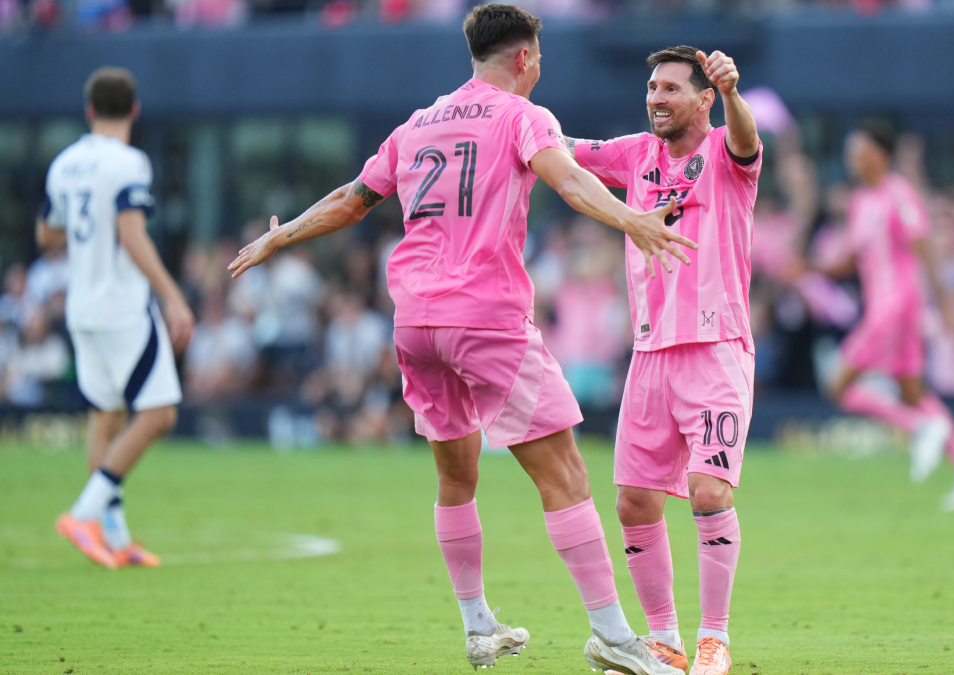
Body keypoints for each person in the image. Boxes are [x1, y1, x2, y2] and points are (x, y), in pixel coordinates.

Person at [228, 5, 693, 674]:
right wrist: (633, 220)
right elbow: (566, 178)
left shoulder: (416, 125)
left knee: (456, 474)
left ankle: (478, 624)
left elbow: (353, 198)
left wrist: (280, 233)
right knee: (563, 471)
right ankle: (616, 634)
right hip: (486, 316)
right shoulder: (523, 116)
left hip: (416, 321)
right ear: (524, 59)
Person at [566, 45, 760, 675]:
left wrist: (734, 93)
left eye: (672, 89)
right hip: (649, 355)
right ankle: (665, 641)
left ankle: (716, 640)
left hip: (716, 349)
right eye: (652, 87)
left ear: (704, 100)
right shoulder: (634, 155)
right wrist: (507, 117)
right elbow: (562, 149)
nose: (656, 98)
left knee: (709, 491)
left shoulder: (728, 154)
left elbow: (746, 139)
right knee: (633, 502)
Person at [41, 67, 195, 569]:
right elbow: (133, 235)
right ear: (133, 111)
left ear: (89, 111)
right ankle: (84, 514)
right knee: (160, 414)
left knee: (106, 416)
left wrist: (86, 237)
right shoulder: (129, 162)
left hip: (81, 308)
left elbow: (47, 237)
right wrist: (171, 295)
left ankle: (114, 535)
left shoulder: (64, 164)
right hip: (122, 307)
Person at [805, 122, 954, 512]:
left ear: (880, 155)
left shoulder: (898, 192)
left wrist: (942, 304)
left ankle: (919, 427)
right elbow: (856, 259)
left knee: (837, 385)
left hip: (897, 305)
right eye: (850, 153)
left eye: (858, 151)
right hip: (883, 307)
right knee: (912, 392)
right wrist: (812, 269)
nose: (852, 160)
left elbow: (923, 246)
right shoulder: (861, 201)